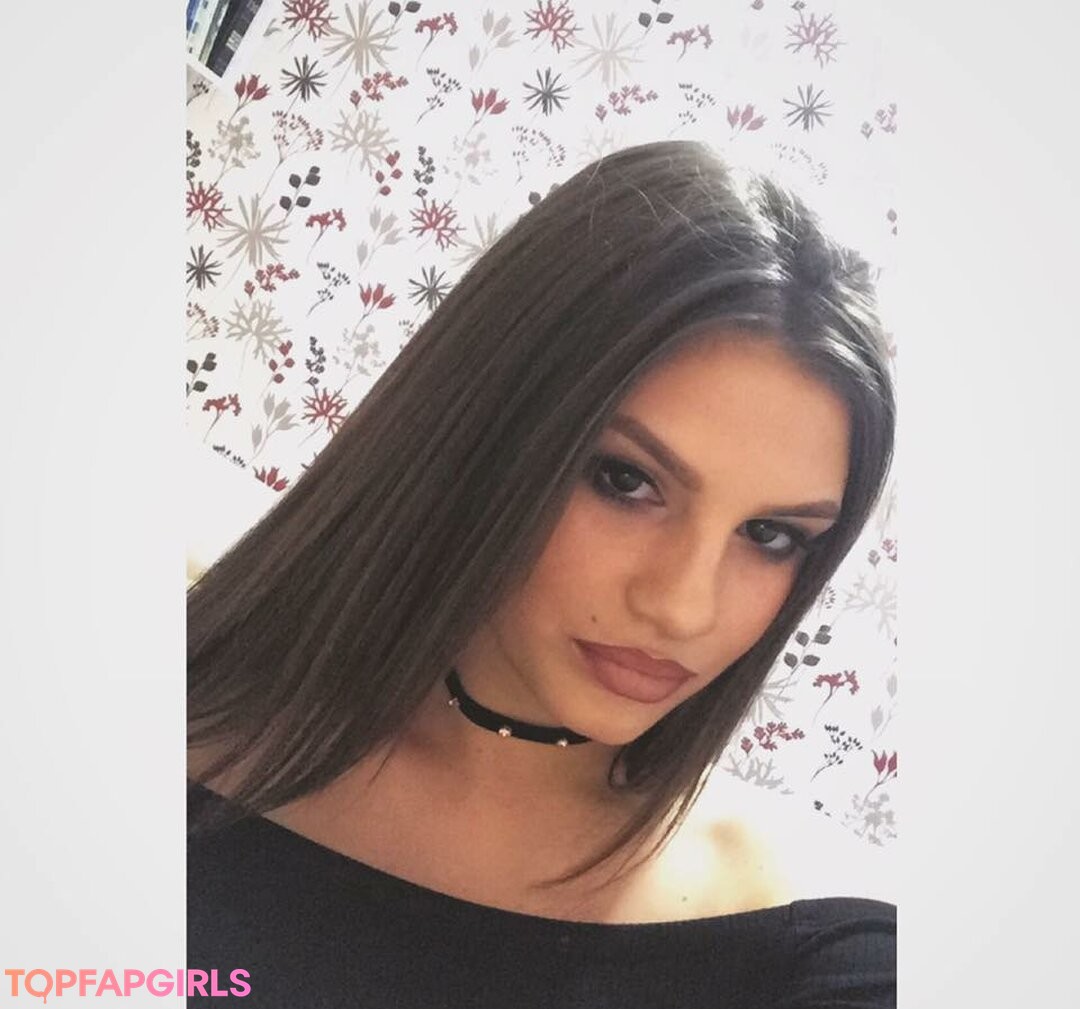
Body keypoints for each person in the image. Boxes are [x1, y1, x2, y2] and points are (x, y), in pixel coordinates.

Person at [187, 139, 897, 1008]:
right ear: (483, 431)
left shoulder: (807, 951)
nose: (682, 605)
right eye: (625, 480)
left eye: (772, 534)